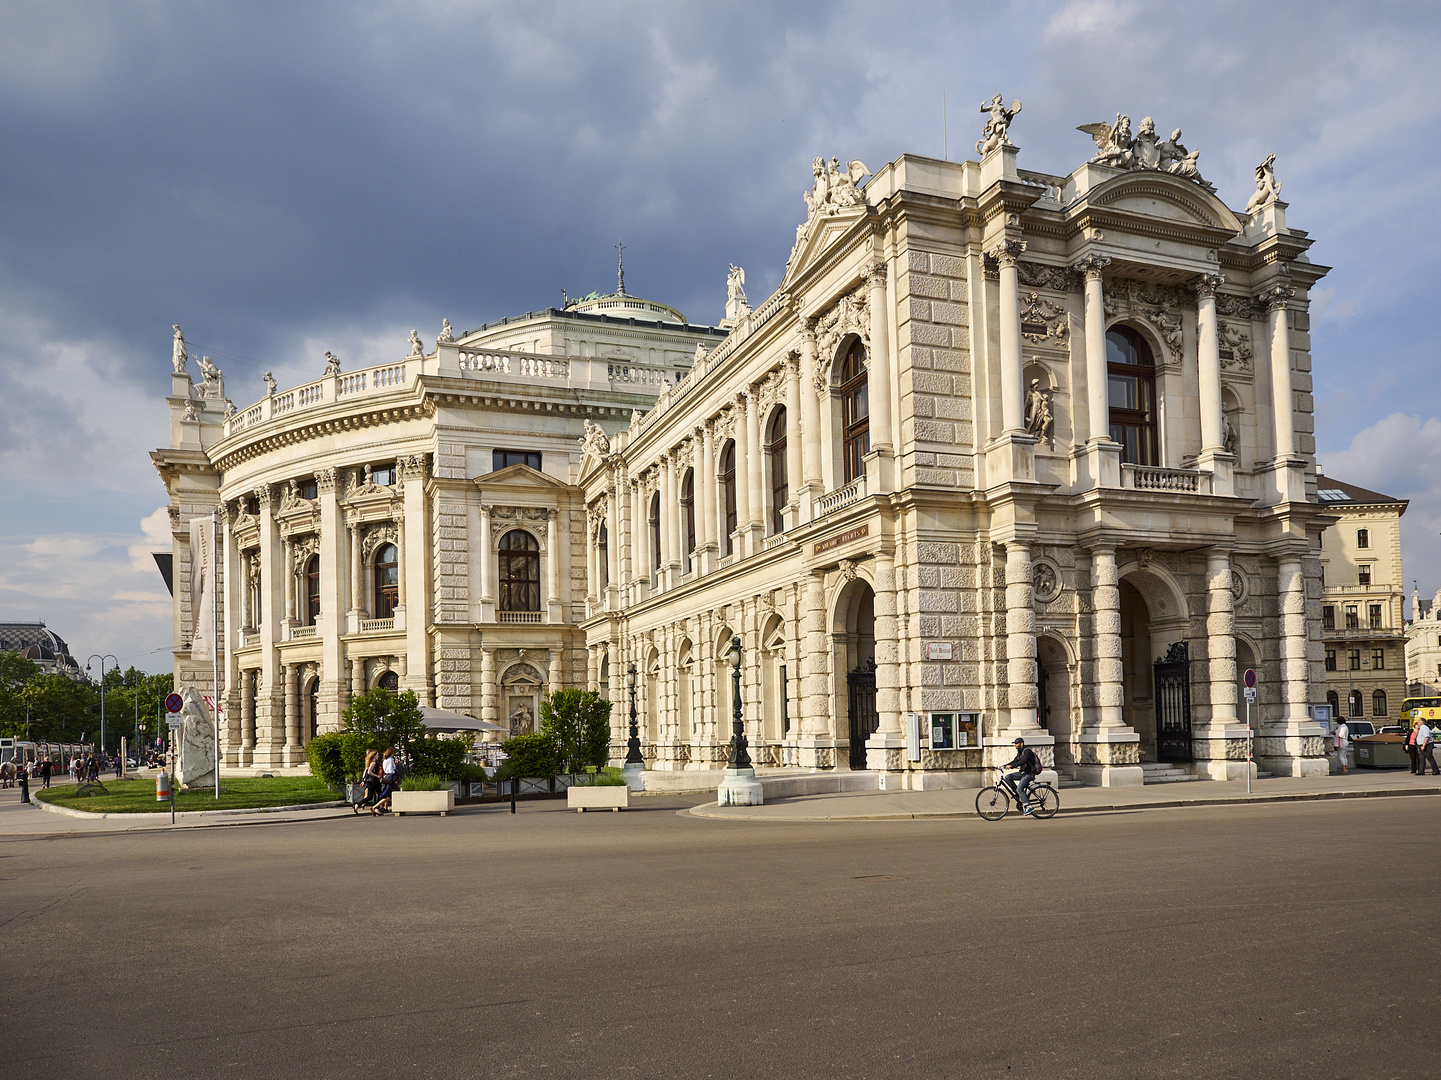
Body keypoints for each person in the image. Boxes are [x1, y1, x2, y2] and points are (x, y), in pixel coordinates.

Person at [1003, 737, 1042, 815]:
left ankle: (1028, 806)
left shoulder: (1027, 751)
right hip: (1023, 773)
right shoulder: (1020, 752)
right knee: (1007, 777)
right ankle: (1017, 795)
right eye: (1015, 744)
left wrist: (1012, 766)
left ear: (1021, 744)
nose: (1015, 745)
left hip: (1029, 774)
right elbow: (1015, 761)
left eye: (1016, 744)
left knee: (1020, 789)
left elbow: (1022, 761)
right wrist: (1004, 765)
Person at [356, 750, 384, 815]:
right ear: (374, 755)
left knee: (370, 796)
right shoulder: (373, 763)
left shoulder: (373, 762)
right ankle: (376, 808)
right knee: (380, 795)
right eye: (377, 755)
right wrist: (377, 776)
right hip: (373, 781)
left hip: (372, 782)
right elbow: (369, 772)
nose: (378, 756)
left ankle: (358, 805)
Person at [376, 747, 399, 814]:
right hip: (390, 776)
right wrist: (394, 771)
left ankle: (380, 805)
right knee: (387, 792)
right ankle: (377, 806)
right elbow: (391, 770)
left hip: (386, 775)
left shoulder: (384, 760)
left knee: (385, 791)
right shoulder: (391, 760)